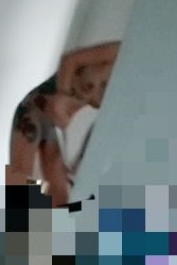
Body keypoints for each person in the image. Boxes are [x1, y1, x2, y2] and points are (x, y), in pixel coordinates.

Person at [7, 41, 121, 206]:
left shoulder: (129, 90)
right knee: (20, 177)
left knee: (59, 187)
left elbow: (103, 125)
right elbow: (69, 60)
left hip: (56, 127)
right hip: (36, 108)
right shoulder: (117, 51)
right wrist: (62, 96)